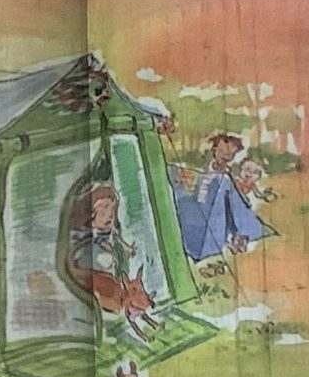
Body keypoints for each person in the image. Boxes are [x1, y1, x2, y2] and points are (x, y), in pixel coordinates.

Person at [66, 183, 157, 337]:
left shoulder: (110, 232)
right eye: (105, 210)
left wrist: (127, 249)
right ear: (91, 215)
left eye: (112, 211)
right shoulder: (89, 240)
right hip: (91, 270)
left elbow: (116, 239)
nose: (110, 215)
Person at [174, 132, 267, 269]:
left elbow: (234, 200)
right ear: (214, 149)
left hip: (217, 212)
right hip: (195, 209)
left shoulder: (228, 176)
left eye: (230, 153)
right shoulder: (202, 167)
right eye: (222, 150)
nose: (225, 155)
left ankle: (235, 238)